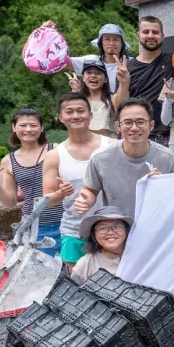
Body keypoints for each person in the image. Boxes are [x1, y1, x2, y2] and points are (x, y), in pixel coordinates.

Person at [42, 93, 115, 267]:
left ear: (90, 114)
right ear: (61, 117)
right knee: (77, 285)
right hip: (74, 230)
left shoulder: (112, 146)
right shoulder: (54, 156)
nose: (75, 116)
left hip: (113, 228)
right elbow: (46, 201)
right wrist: (59, 194)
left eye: (80, 111)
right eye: (69, 112)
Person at [74, 99, 174, 218]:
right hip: (117, 229)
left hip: (155, 226)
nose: (134, 128)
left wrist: (163, 186)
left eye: (140, 122)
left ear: (151, 125)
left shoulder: (167, 158)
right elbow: (90, 190)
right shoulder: (100, 158)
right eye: (127, 122)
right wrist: (85, 200)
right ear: (118, 126)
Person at [0, 107, 63, 256]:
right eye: (22, 125)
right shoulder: (8, 161)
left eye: (33, 125)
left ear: (42, 128)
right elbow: (10, 202)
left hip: (66, 222)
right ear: (14, 127)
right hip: (35, 227)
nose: (28, 129)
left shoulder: (57, 150)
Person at [113, 15, 174, 144]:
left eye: (155, 32)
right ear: (138, 35)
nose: (151, 35)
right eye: (146, 32)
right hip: (134, 134)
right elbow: (119, 107)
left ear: (162, 36)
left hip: (166, 136)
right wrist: (124, 83)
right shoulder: (126, 68)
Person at [42, 21, 129, 94]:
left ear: (122, 44)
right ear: (101, 43)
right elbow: (60, 60)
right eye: (107, 39)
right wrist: (50, 35)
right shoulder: (91, 61)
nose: (111, 43)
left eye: (115, 39)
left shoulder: (131, 64)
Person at [70, 206, 132, 285]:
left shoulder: (140, 257)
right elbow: (74, 294)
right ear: (93, 234)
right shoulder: (85, 264)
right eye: (103, 228)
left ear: (127, 230)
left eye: (117, 227)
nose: (110, 232)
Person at [68, 59, 116, 137]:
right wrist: (75, 92)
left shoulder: (113, 98)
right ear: (83, 77)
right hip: (83, 143)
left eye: (98, 73)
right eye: (89, 73)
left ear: (105, 79)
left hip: (108, 143)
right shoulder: (79, 99)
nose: (93, 76)